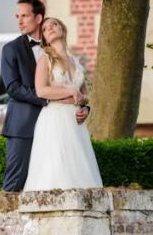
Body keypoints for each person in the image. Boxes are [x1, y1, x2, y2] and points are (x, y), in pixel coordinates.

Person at [0, 0, 89, 192]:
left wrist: (84, 107)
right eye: (17, 17)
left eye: (25, 16)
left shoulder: (62, 51)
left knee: (60, 175)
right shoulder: (11, 49)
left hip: (60, 126)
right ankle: (10, 222)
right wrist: (51, 98)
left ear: (38, 17)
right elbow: (13, 88)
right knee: (16, 180)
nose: (20, 21)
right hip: (23, 125)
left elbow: (80, 90)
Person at [23, 17, 102, 191]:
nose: (49, 28)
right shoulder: (45, 60)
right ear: (44, 38)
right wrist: (71, 92)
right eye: (44, 28)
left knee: (78, 165)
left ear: (63, 30)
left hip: (75, 121)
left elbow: (85, 95)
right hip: (55, 117)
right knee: (57, 164)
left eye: (54, 25)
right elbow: (41, 90)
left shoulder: (77, 62)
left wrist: (85, 109)